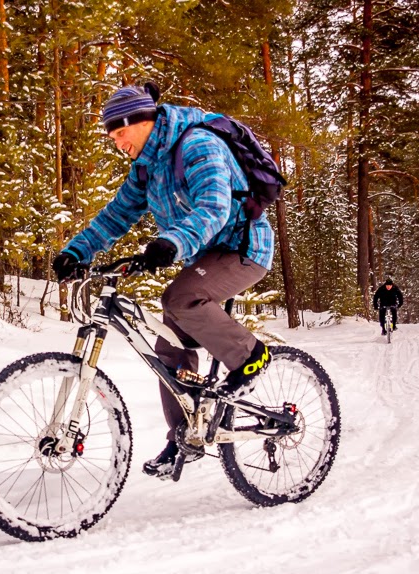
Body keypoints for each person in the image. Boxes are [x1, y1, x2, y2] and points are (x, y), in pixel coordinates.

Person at [50, 82, 275, 478]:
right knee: (169, 346)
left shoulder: (196, 144)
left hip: (243, 250)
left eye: (121, 133)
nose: (119, 143)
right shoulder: (147, 167)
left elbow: (215, 205)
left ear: (144, 121)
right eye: (112, 137)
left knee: (178, 298)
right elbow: (117, 215)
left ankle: (250, 355)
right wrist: (77, 251)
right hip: (205, 253)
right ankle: (184, 435)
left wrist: (172, 242)